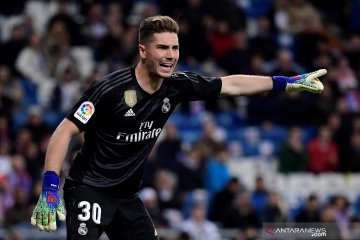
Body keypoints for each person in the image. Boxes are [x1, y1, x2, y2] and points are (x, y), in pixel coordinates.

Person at [30, 15, 327, 240]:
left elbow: (231, 84)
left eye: (175, 47)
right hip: (88, 189)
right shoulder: (108, 90)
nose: (171, 55)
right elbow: (64, 131)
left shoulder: (177, 86)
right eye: (162, 48)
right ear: (143, 51)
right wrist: (50, 189)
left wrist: (285, 83)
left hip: (127, 196)